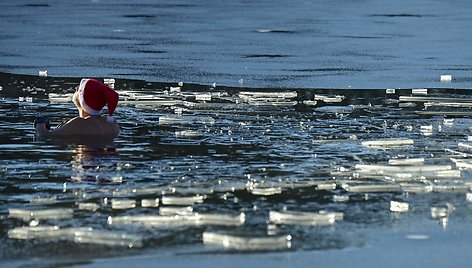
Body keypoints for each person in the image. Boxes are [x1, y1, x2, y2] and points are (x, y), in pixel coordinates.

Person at [35, 78, 120, 137]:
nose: (75, 88)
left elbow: (45, 136)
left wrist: (40, 123)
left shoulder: (79, 123)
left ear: (82, 99)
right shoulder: (112, 123)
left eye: (78, 89)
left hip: (88, 157)